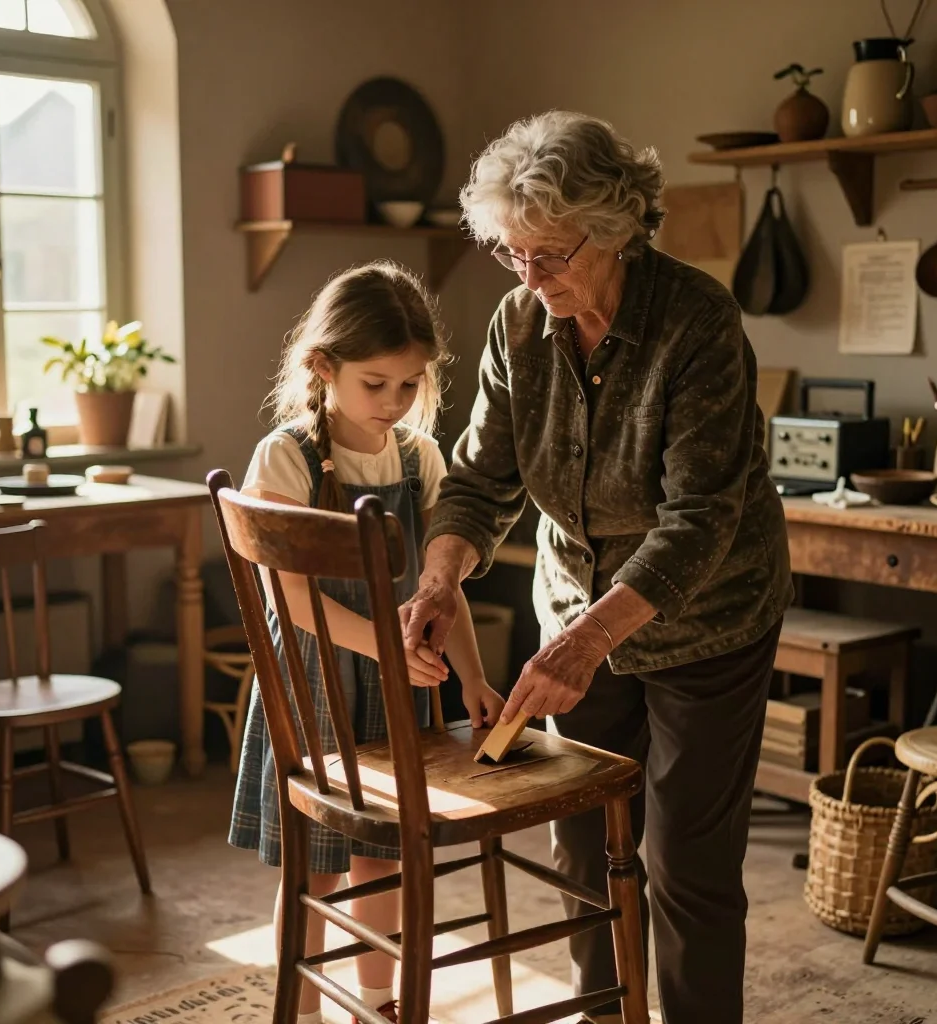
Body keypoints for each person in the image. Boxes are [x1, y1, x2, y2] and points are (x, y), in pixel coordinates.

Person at [400, 112, 794, 1024]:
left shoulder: (695, 321)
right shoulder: (516, 323)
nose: (532, 279)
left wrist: (587, 641)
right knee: (582, 849)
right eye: (512, 255)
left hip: (707, 619)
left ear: (615, 229)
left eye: (552, 254)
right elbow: (479, 478)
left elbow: (700, 520)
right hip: (572, 606)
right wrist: (440, 577)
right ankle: (605, 1014)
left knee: (685, 866)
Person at [230, 260, 504, 1024]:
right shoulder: (284, 457)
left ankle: (376, 1006)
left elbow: (443, 590)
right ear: (324, 367)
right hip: (317, 682)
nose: (394, 402)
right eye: (374, 384)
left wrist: (474, 678)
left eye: (409, 384)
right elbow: (294, 600)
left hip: (393, 688)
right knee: (317, 869)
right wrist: (385, 644)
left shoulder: (419, 461)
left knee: (381, 857)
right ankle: (308, 1005)